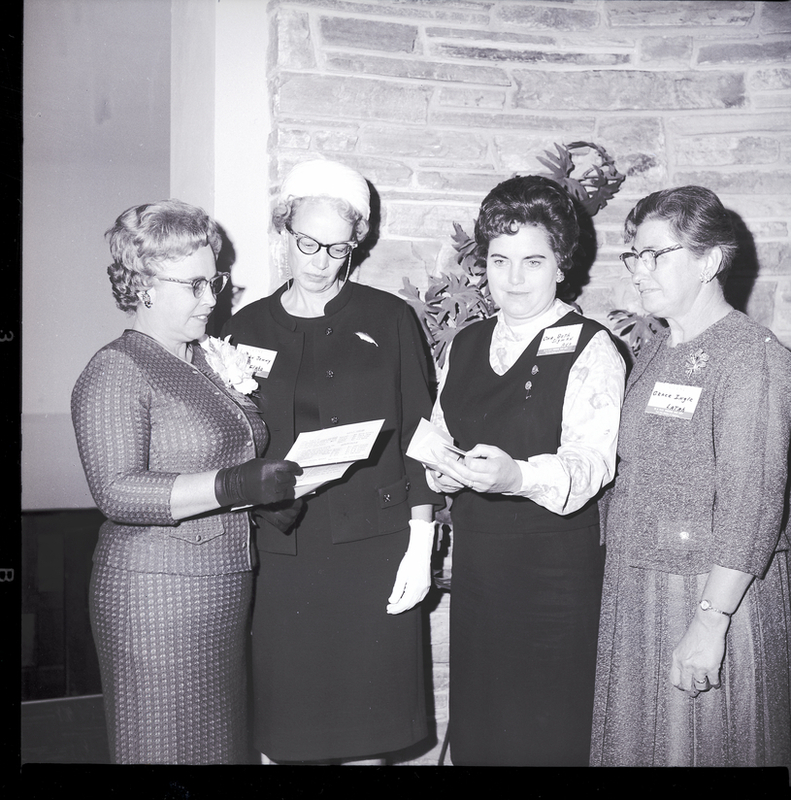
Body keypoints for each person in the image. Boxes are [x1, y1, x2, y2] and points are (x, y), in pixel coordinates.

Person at [221, 159, 442, 765]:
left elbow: (420, 434)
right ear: (282, 233)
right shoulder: (244, 328)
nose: (321, 262)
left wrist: (421, 543)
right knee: (291, 734)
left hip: (375, 547)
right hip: (282, 553)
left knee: (368, 734)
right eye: (308, 244)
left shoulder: (389, 318)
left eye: (339, 249)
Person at [71, 199, 302, 764]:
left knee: (218, 750)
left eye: (214, 281)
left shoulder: (203, 361)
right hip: (155, 595)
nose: (212, 298)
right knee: (164, 750)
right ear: (144, 285)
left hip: (221, 588)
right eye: (194, 285)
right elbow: (117, 490)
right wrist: (234, 487)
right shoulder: (117, 368)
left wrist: (262, 500)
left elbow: (225, 455)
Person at [426, 175, 626, 766]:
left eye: (532, 261)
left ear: (562, 265)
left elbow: (592, 464)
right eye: (499, 260)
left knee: (546, 739)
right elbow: (440, 436)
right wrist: (443, 472)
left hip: (553, 578)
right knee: (482, 735)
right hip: (480, 571)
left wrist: (517, 477)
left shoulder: (592, 346)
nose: (513, 279)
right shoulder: (465, 343)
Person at [589, 185, 791, 768]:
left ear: (710, 260)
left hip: (710, 595)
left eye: (656, 255)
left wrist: (711, 622)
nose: (639, 271)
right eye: (634, 255)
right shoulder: (656, 351)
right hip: (639, 585)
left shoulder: (751, 356)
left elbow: (753, 502)